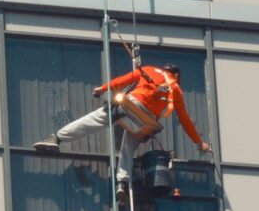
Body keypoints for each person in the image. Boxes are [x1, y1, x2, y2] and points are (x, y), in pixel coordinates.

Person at [35, 62, 209, 155]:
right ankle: (122, 181)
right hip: (146, 120)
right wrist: (199, 142)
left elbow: (123, 80)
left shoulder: (148, 70)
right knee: (129, 147)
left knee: (94, 120)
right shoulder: (176, 89)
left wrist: (103, 88)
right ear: (176, 75)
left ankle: (57, 138)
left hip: (131, 104)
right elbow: (185, 120)